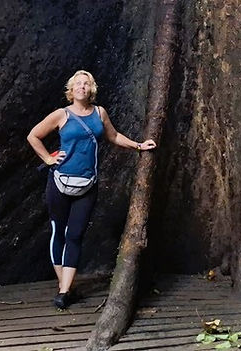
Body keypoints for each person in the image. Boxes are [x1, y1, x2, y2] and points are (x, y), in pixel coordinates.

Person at [26, 69, 156, 309]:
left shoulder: (99, 113)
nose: (82, 87)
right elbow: (33, 136)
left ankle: (64, 291)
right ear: (71, 89)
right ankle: (64, 287)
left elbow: (114, 136)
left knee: (75, 235)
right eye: (77, 83)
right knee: (58, 232)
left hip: (87, 184)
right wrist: (48, 159)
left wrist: (139, 146)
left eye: (86, 84)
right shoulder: (61, 114)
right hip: (59, 182)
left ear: (91, 89)